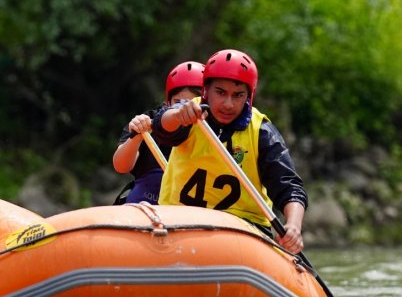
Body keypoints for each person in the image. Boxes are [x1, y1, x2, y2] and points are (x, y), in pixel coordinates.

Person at [152, 49, 307, 254]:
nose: (228, 104)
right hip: (179, 222)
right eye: (220, 92)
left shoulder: (262, 132)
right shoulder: (189, 114)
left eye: (238, 95)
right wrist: (177, 115)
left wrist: (294, 226)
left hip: (243, 230)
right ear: (206, 90)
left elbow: (289, 187)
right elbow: (162, 127)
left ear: (249, 96)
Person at [112, 61, 204, 204]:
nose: (183, 109)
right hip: (145, 205)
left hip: (193, 209)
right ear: (168, 102)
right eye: (177, 102)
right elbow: (121, 166)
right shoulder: (149, 121)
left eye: (192, 102)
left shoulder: (215, 130)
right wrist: (136, 137)